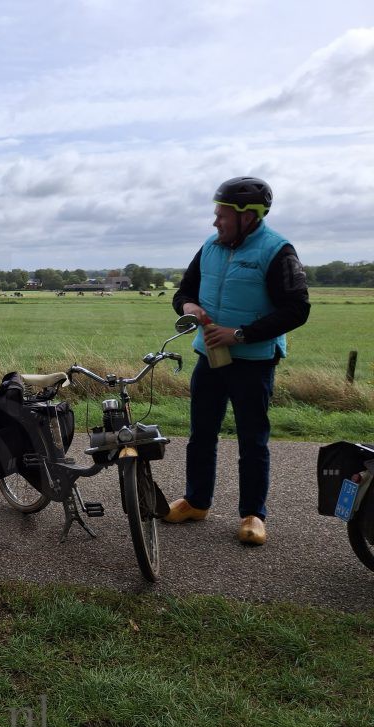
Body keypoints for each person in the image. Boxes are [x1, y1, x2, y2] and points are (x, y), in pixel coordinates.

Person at [166, 176, 310, 546]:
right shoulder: (210, 247)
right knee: (201, 434)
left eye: (222, 216)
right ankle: (197, 502)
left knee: (252, 439)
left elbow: (297, 309)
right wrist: (189, 306)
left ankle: (253, 515)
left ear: (248, 216)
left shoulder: (277, 250)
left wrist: (240, 334)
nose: (215, 222)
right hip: (209, 357)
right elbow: (183, 290)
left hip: (254, 361)